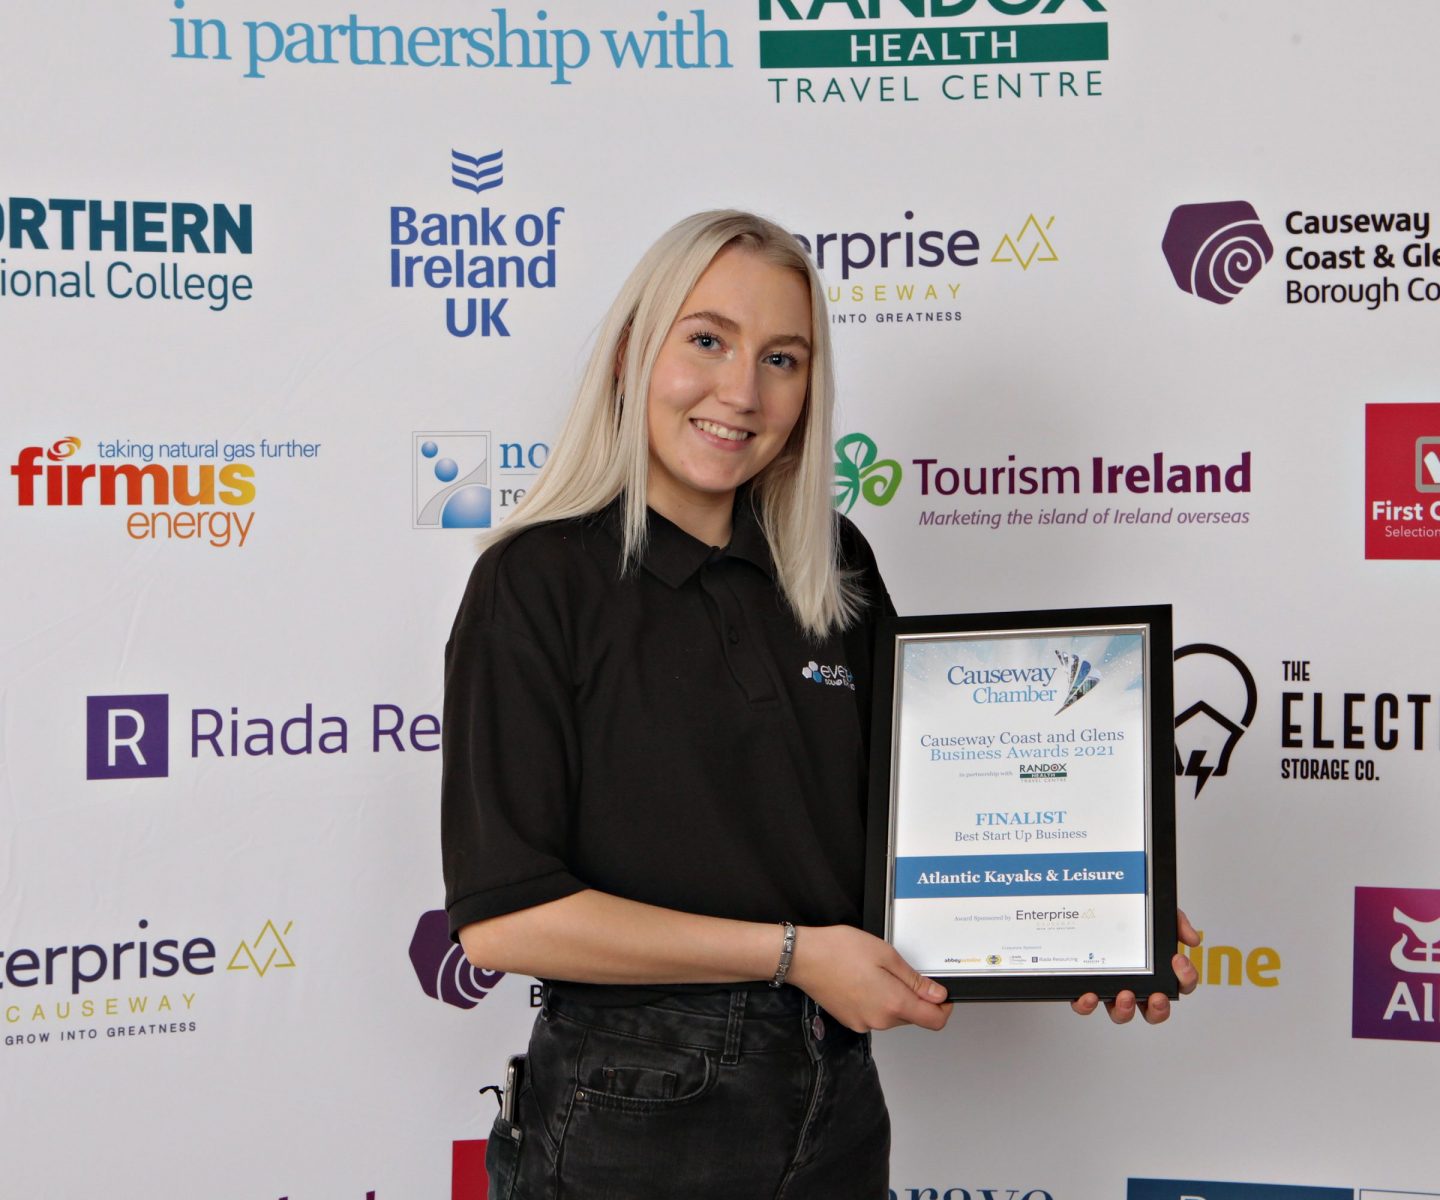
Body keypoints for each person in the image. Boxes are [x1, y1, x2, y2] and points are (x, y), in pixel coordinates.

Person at [441, 210, 1199, 1200]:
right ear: (631, 353)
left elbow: (924, 825)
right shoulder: (537, 581)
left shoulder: (833, 567)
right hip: (633, 1105)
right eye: (707, 340)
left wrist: (1102, 920)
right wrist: (794, 956)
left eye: (783, 359)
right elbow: (506, 921)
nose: (742, 392)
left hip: (834, 1095)